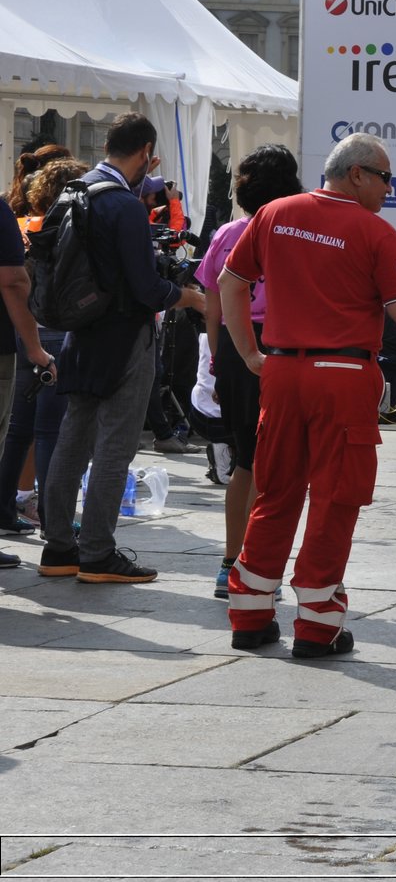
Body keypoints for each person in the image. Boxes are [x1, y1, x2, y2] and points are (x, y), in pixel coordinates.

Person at [220, 132, 396, 658]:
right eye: (385, 179)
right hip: (343, 374)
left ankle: (250, 613)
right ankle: (316, 624)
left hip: (282, 370)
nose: (388, 190)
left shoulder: (274, 214)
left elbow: (230, 281)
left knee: (275, 492)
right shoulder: (375, 232)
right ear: (357, 174)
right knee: (335, 497)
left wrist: (248, 353)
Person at [34, 116, 206, 584]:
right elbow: (148, 288)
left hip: (78, 332)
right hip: (124, 336)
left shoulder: (74, 190)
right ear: (146, 151)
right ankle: (97, 553)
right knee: (114, 447)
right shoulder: (123, 204)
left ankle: (58, 549)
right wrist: (187, 296)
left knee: (73, 440)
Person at [195, 145, 302, 599]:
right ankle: (257, 566)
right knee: (270, 464)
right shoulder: (296, 234)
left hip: (236, 355)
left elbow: (213, 309)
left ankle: (230, 562)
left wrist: (220, 364)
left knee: (244, 461)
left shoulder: (228, 234)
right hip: (280, 349)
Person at [0, 158, 82, 566]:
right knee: (50, 429)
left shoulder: (21, 222)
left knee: (16, 429)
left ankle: (4, 508)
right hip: (44, 328)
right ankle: (54, 520)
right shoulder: (71, 227)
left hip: (17, 329)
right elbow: (18, 280)